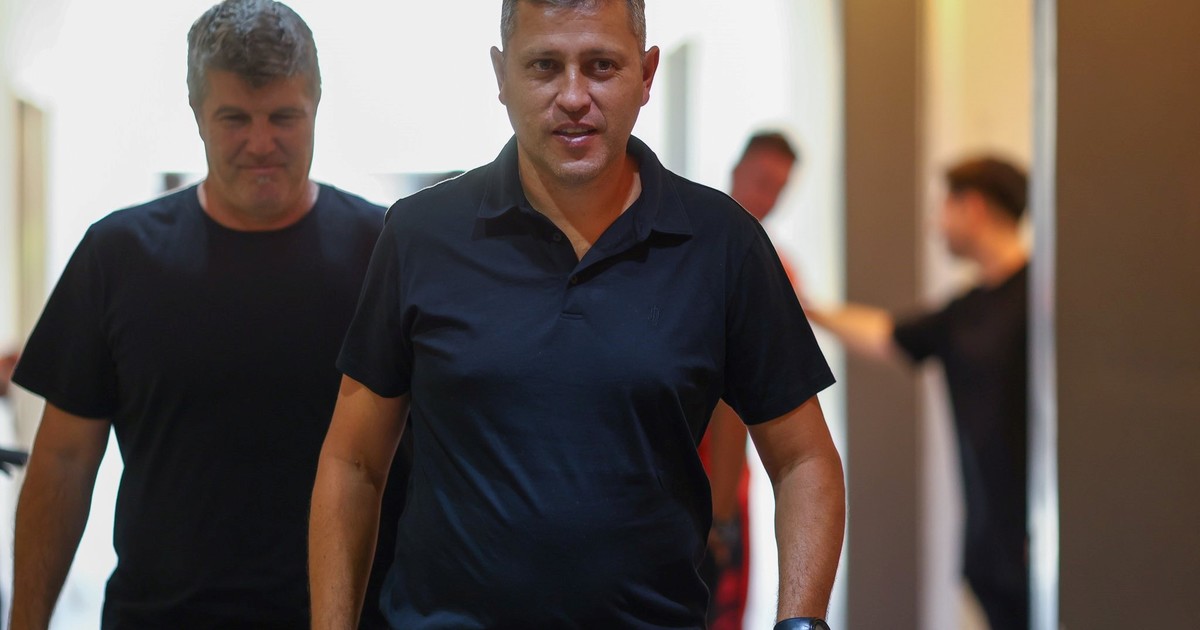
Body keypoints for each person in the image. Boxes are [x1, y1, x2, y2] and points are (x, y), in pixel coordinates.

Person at [308, 2, 845, 629]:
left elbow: (804, 460)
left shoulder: (723, 243)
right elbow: (353, 463)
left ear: (646, 75)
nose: (572, 96)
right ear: (502, 75)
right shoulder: (420, 234)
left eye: (601, 66)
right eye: (543, 65)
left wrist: (800, 623)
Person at [9, 1, 404, 627]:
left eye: (283, 117)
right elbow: (63, 460)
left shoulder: (386, 252)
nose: (261, 143)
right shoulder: (118, 255)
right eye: (234, 118)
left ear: (315, 106)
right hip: (161, 616)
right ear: (197, 115)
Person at [804, 156, 1030, 630]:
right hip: (991, 549)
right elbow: (887, 334)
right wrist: (807, 308)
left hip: (1035, 545)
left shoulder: (1042, 298)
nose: (935, 224)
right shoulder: (967, 312)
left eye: (943, 208)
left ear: (973, 207)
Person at [701, 131, 801, 630]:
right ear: (737, 170)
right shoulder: (691, 251)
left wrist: (722, 508)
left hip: (728, 483)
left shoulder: (775, 270)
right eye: (761, 180)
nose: (766, 197)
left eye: (778, 188)